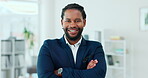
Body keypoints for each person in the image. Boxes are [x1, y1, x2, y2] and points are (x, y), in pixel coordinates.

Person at [37, 3, 106, 78]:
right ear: (62, 22)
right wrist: (86, 73)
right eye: (68, 21)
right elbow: (44, 76)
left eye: (77, 21)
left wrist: (62, 72)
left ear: (84, 22)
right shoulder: (49, 46)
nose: (72, 25)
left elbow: (99, 75)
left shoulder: (95, 47)